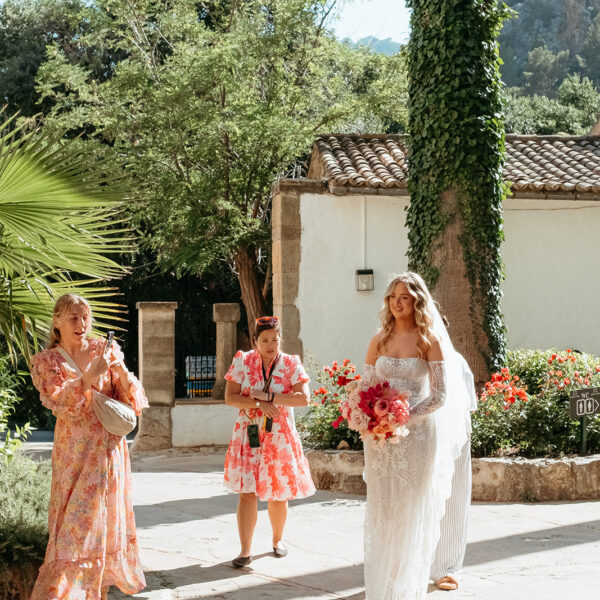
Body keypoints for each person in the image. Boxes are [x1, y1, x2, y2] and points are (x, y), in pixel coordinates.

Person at [29, 294, 147, 600]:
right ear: (57, 322)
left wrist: (118, 369)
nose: (82, 324)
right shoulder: (46, 361)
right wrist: (91, 374)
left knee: (104, 526)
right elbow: (57, 401)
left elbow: (134, 402)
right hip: (74, 455)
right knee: (72, 530)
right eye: (74, 318)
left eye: (85, 317)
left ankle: (98, 592)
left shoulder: (103, 348)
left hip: (109, 453)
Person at [362, 273, 472, 600]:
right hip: (380, 438)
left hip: (419, 434)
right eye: (393, 296)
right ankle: (386, 575)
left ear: (417, 302)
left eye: (405, 297)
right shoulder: (378, 340)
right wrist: (371, 415)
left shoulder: (429, 341)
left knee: (412, 504)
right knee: (385, 505)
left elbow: (439, 395)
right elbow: (366, 386)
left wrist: (402, 417)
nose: (397, 302)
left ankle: (412, 578)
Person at [223, 316, 316, 568]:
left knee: (278, 493)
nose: (270, 344)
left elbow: (303, 399)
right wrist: (258, 403)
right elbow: (230, 398)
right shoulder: (243, 361)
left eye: (275, 339)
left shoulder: (290, 363)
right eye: (264, 340)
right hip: (249, 434)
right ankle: (245, 551)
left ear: (280, 339)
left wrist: (269, 396)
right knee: (247, 492)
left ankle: (278, 540)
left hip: (279, 435)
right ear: (255, 341)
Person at [430, 352, 477, 591]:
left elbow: (467, 407)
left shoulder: (456, 360)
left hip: (453, 437)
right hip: (420, 436)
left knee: (453, 498)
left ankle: (445, 566)